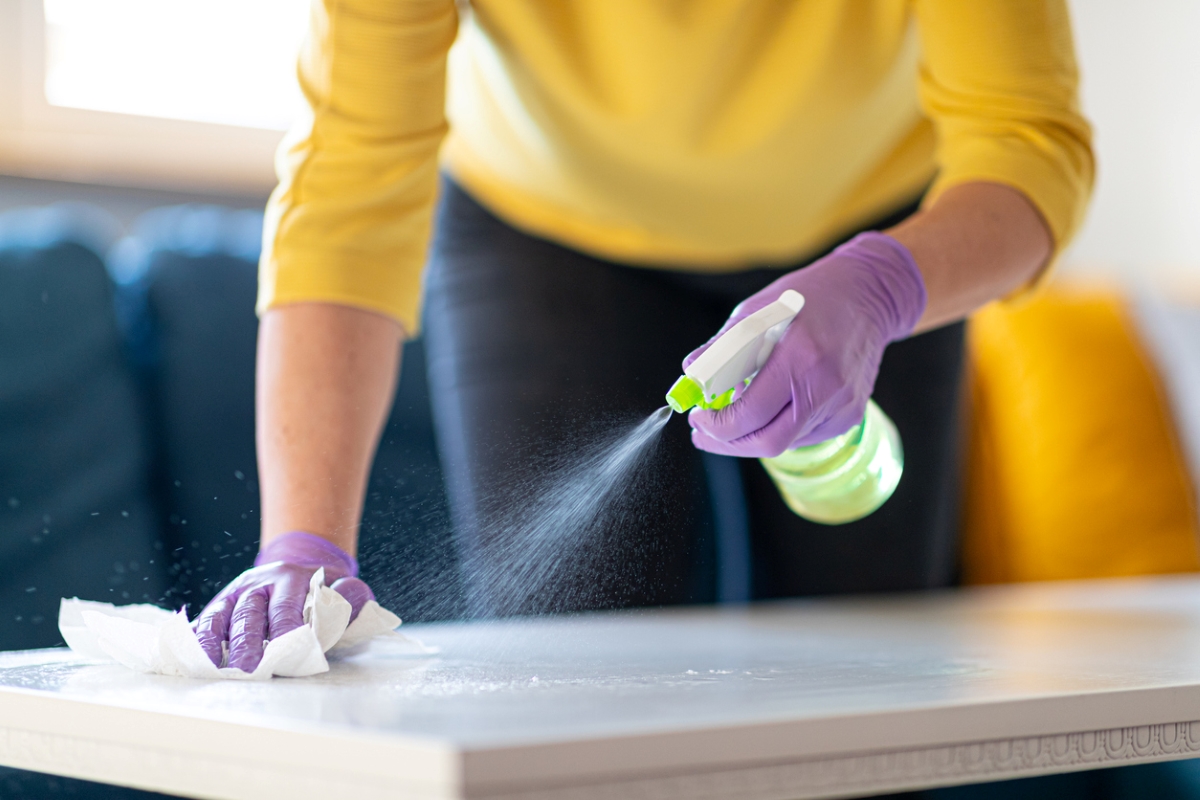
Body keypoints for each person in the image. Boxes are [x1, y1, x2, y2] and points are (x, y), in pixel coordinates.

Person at [194, 1, 1092, 673]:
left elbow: (1028, 141)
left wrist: (887, 287)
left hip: (876, 232)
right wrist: (302, 544)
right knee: (568, 685)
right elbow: (348, 193)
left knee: (871, 679)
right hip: (541, 231)